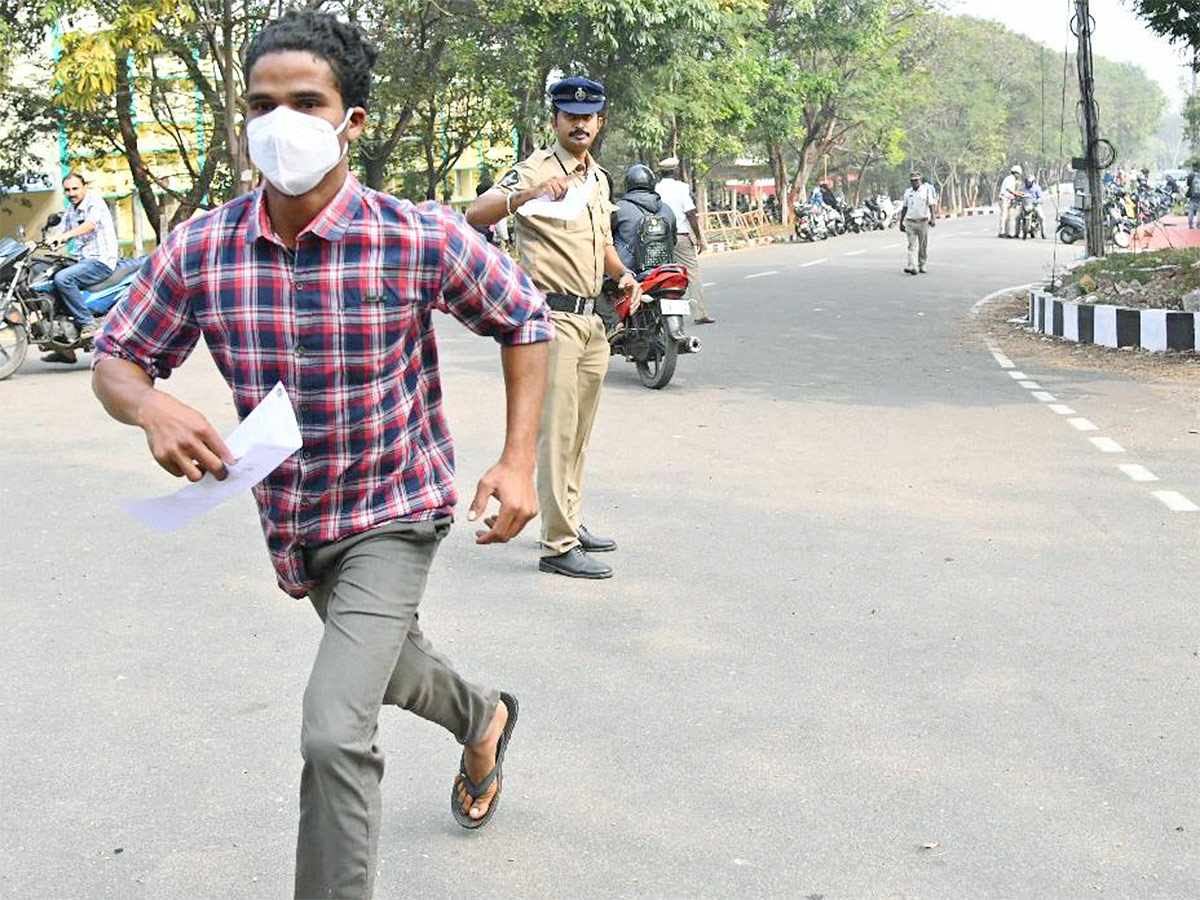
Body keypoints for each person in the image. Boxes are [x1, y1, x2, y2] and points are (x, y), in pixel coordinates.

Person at [90, 10, 552, 898]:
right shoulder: (203, 248)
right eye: (263, 104)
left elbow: (523, 317)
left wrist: (517, 459)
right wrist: (148, 405)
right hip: (297, 521)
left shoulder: (415, 235)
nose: (282, 123)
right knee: (388, 666)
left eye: (308, 101)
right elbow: (117, 357)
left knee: (334, 730)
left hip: (394, 510)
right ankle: (484, 715)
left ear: (352, 121)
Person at [467, 76, 641, 580]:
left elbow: (604, 243)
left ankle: (570, 515)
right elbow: (477, 212)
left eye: (589, 117)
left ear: (599, 123)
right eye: (571, 115)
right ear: (556, 121)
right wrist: (530, 195)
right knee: (557, 433)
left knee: (579, 433)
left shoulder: (600, 179)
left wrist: (624, 276)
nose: (580, 123)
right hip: (553, 318)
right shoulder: (533, 170)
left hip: (592, 319)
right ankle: (557, 544)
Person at [43, 171, 119, 363]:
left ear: (85, 187)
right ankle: (65, 349)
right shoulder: (72, 210)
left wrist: (65, 237)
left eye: (75, 188)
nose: (71, 193)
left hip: (100, 261)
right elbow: (63, 233)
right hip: (82, 260)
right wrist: (40, 243)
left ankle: (87, 323)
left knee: (64, 279)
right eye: (67, 190)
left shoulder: (94, 202)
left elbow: (90, 225)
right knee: (49, 281)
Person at [654, 157, 714, 325]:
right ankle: (700, 313)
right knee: (692, 273)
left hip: (659, 238)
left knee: (661, 274)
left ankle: (659, 315)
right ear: (676, 171)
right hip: (680, 235)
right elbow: (690, 213)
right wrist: (699, 237)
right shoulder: (681, 188)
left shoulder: (655, 188)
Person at [612, 163, 676, 273]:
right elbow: (673, 240)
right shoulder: (667, 209)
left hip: (630, 274)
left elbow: (605, 238)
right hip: (664, 270)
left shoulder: (618, 208)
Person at [898, 169, 937, 274]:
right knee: (911, 245)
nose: (914, 182)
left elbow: (931, 205)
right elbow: (905, 207)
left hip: (923, 221)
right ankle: (912, 266)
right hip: (910, 222)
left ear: (920, 180)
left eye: (916, 180)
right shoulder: (907, 192)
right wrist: (901, 222)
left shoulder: (926, 190)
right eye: (912, 180)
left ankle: (922, 264)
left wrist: (933, 217)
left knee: (923, 245)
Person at [998, 164, 1021, 237]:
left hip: (1008, 200)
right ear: (1016, 173)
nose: (1019, 176)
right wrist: (1016, 193)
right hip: (1004, 199)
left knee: (1008, 217)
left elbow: (1012, 191)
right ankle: (1001, 232)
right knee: (1004, 216)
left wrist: (1018, 194)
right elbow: (1008, 189)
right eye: (1018, 174)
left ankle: (1007, 232)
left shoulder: (1013, 180)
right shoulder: (1010, 178)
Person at [1188, 161, 1200, 229]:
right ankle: (1198, 224)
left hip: (1193, 194)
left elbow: (1188, 184)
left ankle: (1190, 223)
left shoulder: (1191, 175)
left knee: (1191, 209)